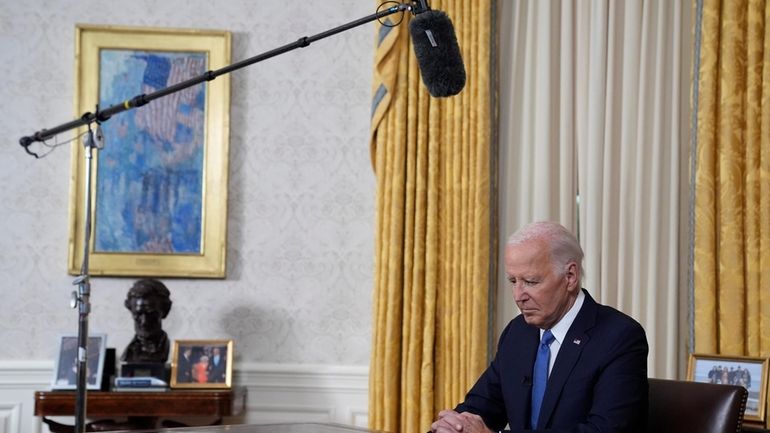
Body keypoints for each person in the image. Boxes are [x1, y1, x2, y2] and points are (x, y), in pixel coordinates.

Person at [430, 221, 648, 433]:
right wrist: (453, 426)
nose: (518, 296)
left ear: (570, 276)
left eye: (531, 282)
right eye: (513, 281)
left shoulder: (619, 336)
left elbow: (604, 429)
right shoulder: (518, 333)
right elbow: (481, 408)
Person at [121, 278, 173, 363]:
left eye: (151, 315)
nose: (144, 322)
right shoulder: (129, 353)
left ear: (165, 311)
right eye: (138, 314)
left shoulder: (172, 350)